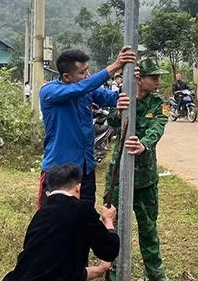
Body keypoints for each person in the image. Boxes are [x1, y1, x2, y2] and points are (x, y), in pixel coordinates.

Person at [1, 164, 134, 281]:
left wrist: (99, 270)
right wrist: (108, 222)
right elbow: (110, 250)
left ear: (49, 191)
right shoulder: (81, 210)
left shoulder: (40, 216)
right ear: (78, 188)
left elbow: (57, 271)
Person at [105, 58, 180, 281]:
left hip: (145, 177)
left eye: (159, 77)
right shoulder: (123, 98)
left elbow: (158, 127)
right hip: (118, 176)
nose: (158, 82)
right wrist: (119, 112)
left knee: (148, 227)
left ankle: (155, 274)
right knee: (113, 228)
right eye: (153, 77)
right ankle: (113, 275)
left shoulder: (160, 103)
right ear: (139, 78)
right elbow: (110, 121)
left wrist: (144, 144)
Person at [37, 47, 134, 209]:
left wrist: (133, 83)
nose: (87, 75)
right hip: (59, 170)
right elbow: (80, 88)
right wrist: (115, 65)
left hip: (86, 168)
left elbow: (111, 98)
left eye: (87, 70)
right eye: (82, 72)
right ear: (66, 76)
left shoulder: (88, 91)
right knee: (55, 222)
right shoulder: (49, 92)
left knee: (85, 217)